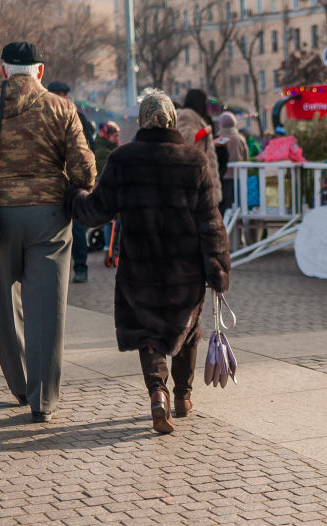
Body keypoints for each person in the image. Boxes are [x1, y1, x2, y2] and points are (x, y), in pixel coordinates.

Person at [65, 88, 230, 434]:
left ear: (142, 121)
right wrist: (218, 268)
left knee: (149, 333)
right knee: (187, 331)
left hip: (139, 268)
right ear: (172, 120)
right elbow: (210, 221)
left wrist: (71, 195)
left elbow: (95, 211)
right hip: (185, 269)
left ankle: (158, 393)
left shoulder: (123, 159)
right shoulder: (194, 161)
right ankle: (183, 398)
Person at [0, 41, 96, 422]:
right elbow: (84, 170)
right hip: (49, 216)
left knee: (5, 303)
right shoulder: (61, 108)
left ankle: (17, 384)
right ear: (40, 71)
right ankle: (42, 399)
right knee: (46, 309)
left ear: (3, 71)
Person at [48, 80, 94, 283]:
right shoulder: (43, 118)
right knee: (50, 229)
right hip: (49, 183)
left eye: (65, 94)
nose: (63, 98)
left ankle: (81, 267)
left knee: (78, 228)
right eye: (58, 94)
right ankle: (55, 269)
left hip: (74, 183)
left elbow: (89, 148)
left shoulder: (79, 117)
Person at [176, 89, 222, 205]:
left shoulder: (196, 117)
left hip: (200, 172)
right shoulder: (187, 115)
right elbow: (186, 138)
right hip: (196, 172)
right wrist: (205, 131)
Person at [217, 111, 249, 215]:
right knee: (237, 208)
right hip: (238, 176)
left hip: (222, 176)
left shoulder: (219, 138)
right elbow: (246, 157)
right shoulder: (240, 138)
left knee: (222, 207)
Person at [95, 121, 120, 250]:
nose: (117, 139)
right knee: (112, 219)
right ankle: (108, 245)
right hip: (107, 189)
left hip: (109, 188)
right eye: (115, 136)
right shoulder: (103, 152)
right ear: (107, 136)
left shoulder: (110, 149)